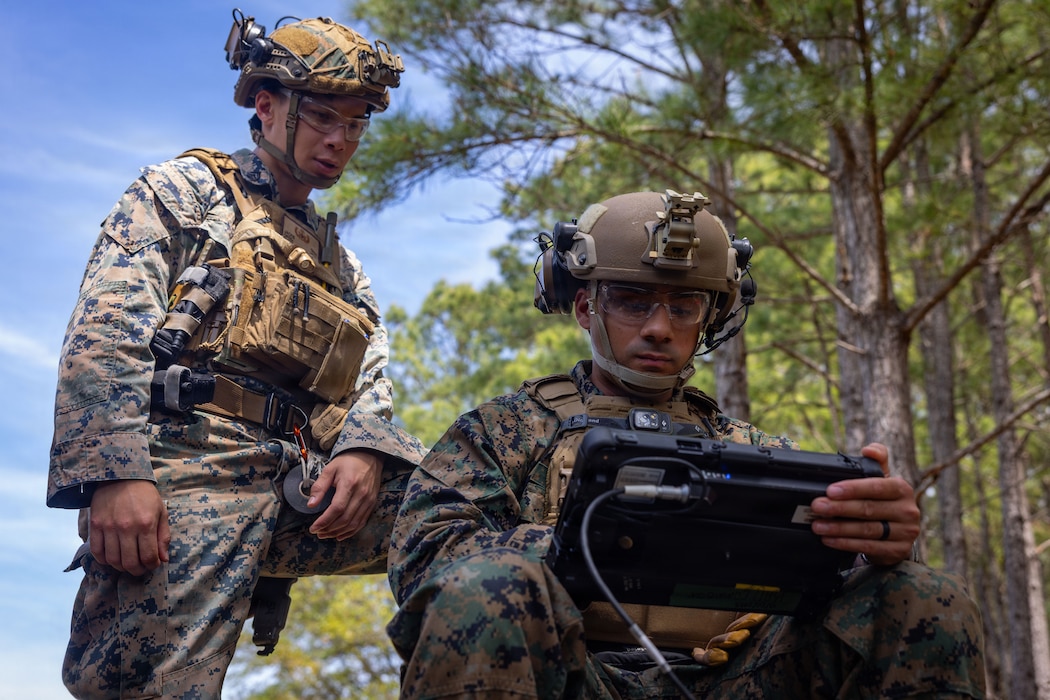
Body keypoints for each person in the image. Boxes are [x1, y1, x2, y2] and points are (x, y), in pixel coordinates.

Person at [386, 189, 986, 698]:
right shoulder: (505, 431)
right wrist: (586, 544)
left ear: (711, 316)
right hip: (568, 674)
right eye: (631, 301)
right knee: (488, 588)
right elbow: (425, 561)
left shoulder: (755, 450)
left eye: (684, 305)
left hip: (730, 680)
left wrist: (879, 542)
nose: (658, 326)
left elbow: (837, 583)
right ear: (583, 306)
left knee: (922, 597)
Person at [47, 9, 425, 698]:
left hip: (300, 486)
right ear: (266, 104)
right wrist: (113, 477)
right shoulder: (183, 192)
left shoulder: (343, 266)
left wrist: (367, 452)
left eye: (358, 123)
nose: (341, 139)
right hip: (187, 474)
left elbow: (371, 382)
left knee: (464, 508)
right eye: (323, 117)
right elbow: (105, 333)